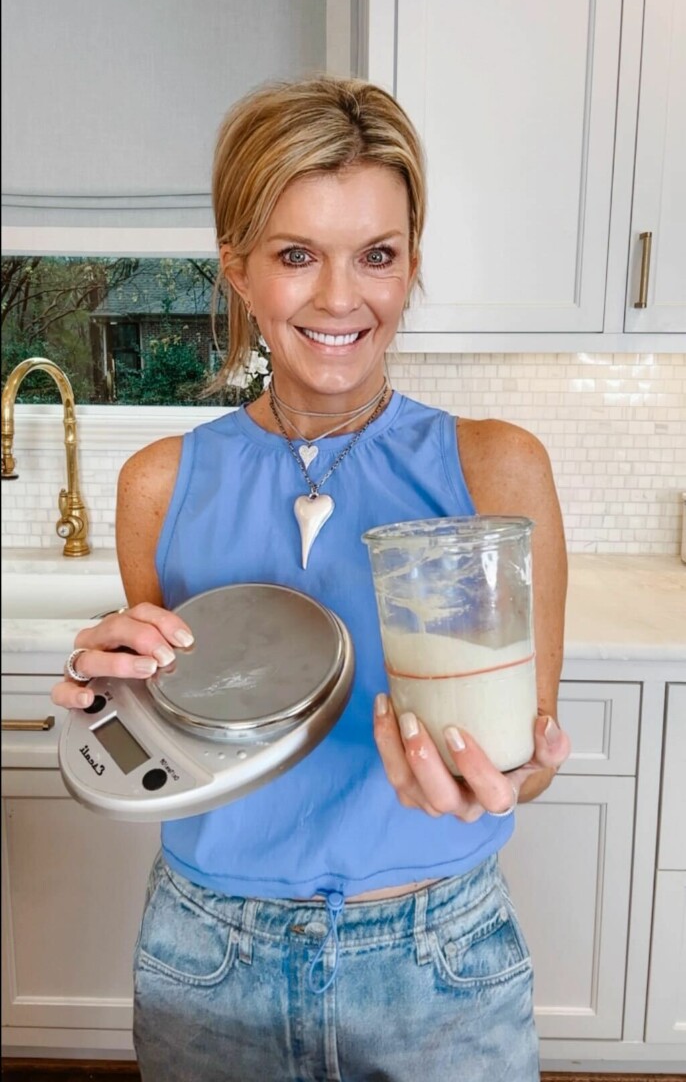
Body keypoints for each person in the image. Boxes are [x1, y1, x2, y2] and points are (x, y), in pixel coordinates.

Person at [52, 76, 571, 1081]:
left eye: (375, 255)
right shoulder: (157, 484)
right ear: (238, 271)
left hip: (439, 962)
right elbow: (175, 734)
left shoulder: (494, 471)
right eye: (296, 256)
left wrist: (503, 774)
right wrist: (104, 698)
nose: (341, 298)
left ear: (410, 264)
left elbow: (527, 753)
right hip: (210, 962)